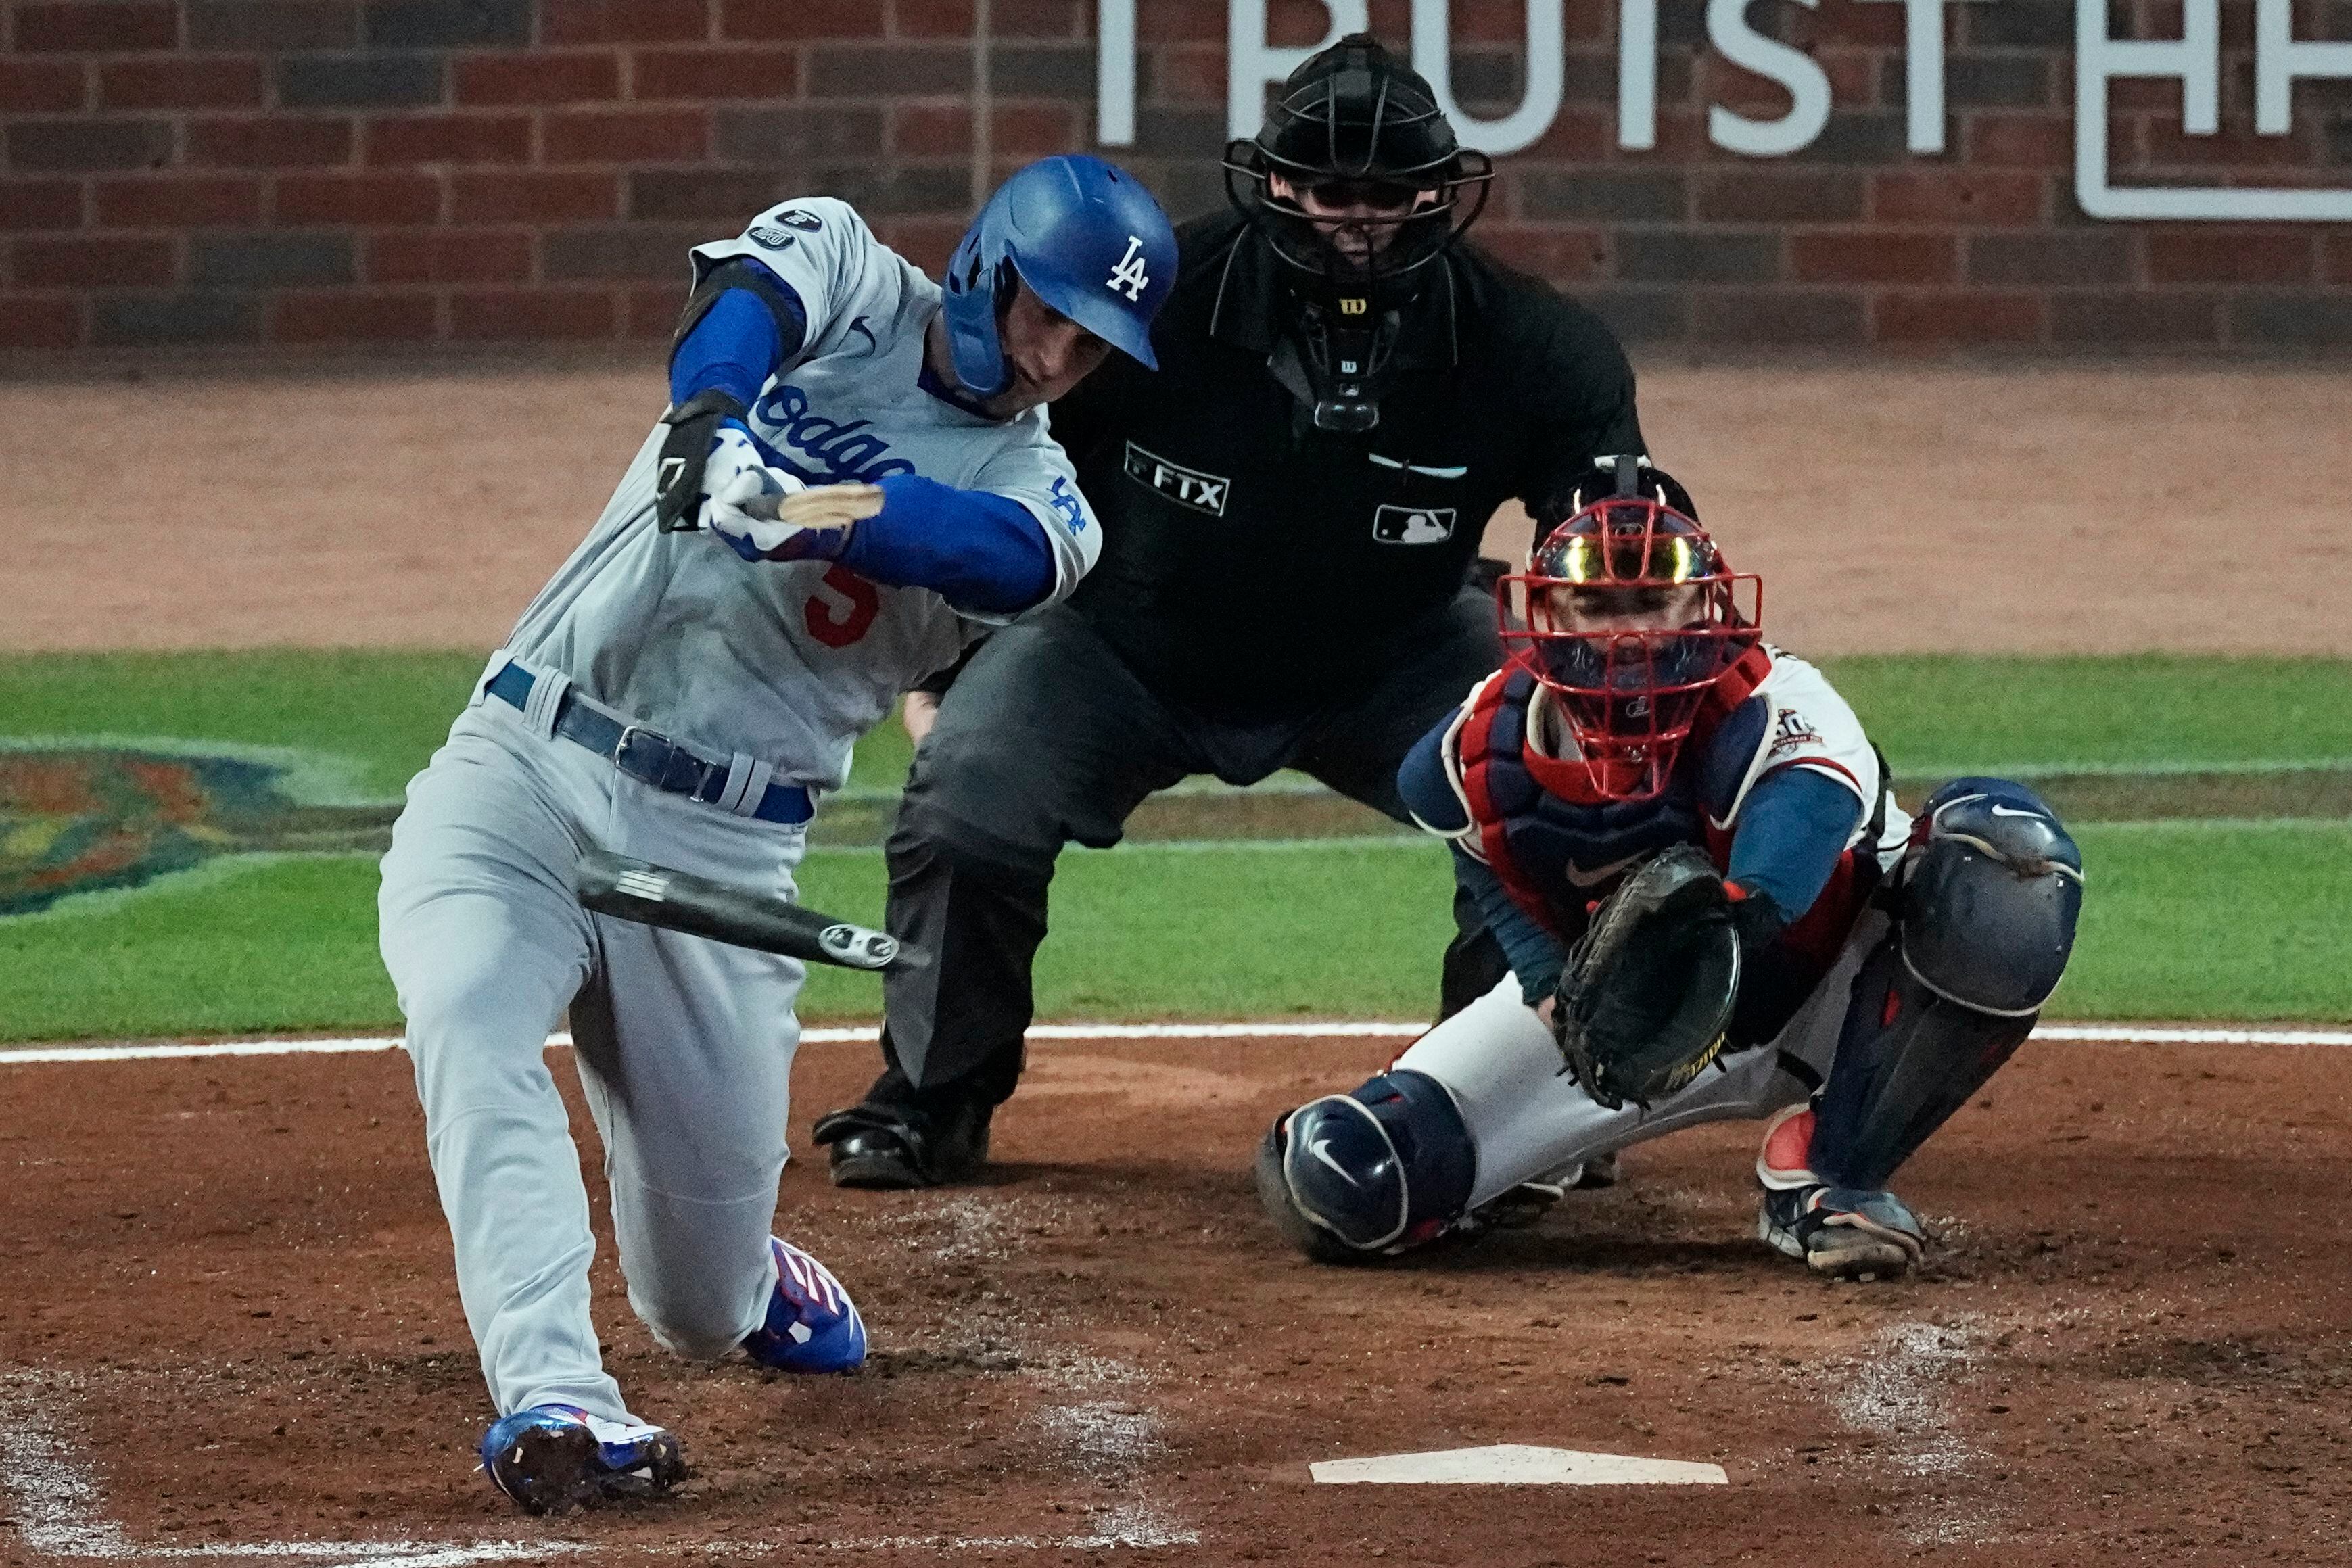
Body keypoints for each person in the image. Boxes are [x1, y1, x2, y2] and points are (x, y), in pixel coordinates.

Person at [376, 155, 1175, 1512]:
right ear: (984, 266)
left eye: (1088, 347)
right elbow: (742, 302)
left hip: (722, 851)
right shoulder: (852, 267)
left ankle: (748, 1281)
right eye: (1044, 314)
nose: (1053, 359)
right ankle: (555, 1390)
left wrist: (810, 511)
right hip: (525, 760)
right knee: (465, 1010)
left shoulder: (1052, 506)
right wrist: (710, 429)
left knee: (693, 1301)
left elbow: (981, 549)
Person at [814, 34, 1645, 1189]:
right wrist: (947, 665)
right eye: (1328, 190)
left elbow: (1605, 521)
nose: (1355, 221)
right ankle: (933, 1094)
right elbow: (1005, 472)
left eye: (1388, 194)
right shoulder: (1152, 311)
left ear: (1435, 194)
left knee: (1549, 793)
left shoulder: (1532, 345)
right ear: (1276, 183)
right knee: (968, 800)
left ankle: (1499, 1105)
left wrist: (1615, 577)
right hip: (1119, 644)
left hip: (1394, 650)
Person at [1254, 457, 2085, 1280]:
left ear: (1704, 602)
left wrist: (1722, 920)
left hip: (1839, 989)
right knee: (1346, 1179)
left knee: (2007, 864)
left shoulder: (1780, 706)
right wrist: (1555, 989)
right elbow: (1493, 878)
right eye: (1596, 603)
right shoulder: (1471, 756)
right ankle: (1537, 1156)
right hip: (1626, 1023)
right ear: (1546, 610)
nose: (1625, 634)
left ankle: (1830, 1173)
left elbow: (1791, 845)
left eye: (1652, 601)